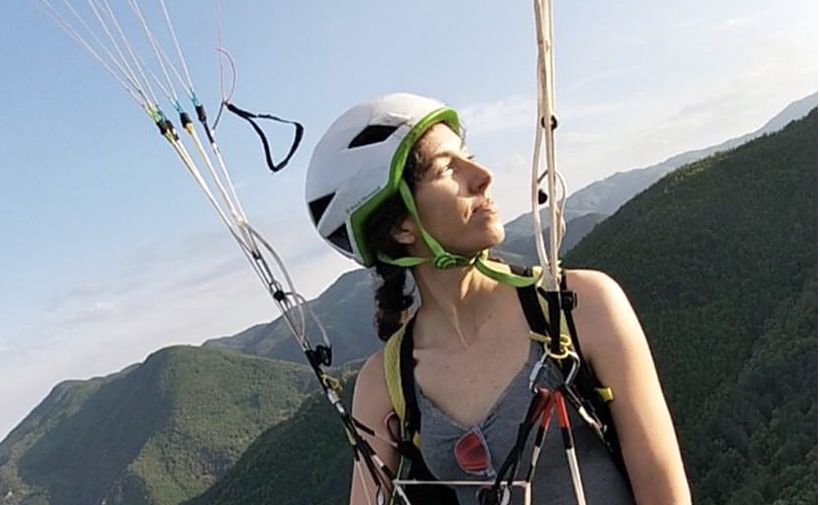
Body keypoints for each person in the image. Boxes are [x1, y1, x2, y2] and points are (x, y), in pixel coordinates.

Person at [305, 93, 691, 505]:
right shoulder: (385, 382)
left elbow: (661, 487)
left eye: (468, 155)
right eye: (446, 168)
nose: (482, 175)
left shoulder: (579, 306)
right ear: (401, 226)